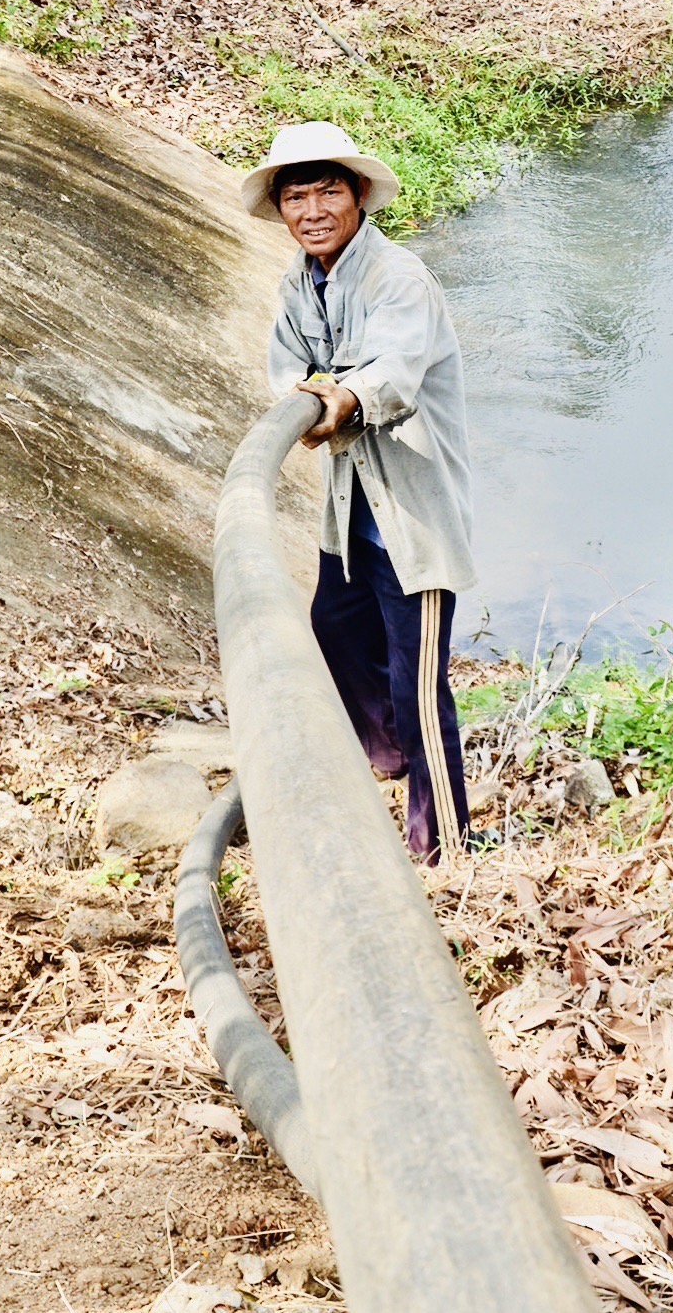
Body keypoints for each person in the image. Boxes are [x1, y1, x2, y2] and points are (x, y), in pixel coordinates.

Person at [241, 120, 473, 864]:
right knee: (335, 634)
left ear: (360, 196)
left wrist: (340, 400)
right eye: (297, 197)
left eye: (328, 192)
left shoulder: (398, 278)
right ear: (281, 210)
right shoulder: (299, 283)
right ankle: (393, 755)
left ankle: (445, 851)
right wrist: (306, 397)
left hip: (410, 520)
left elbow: (394, 375)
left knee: (418, 688)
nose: (313, 210)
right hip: (349, 516)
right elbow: (288, 369)